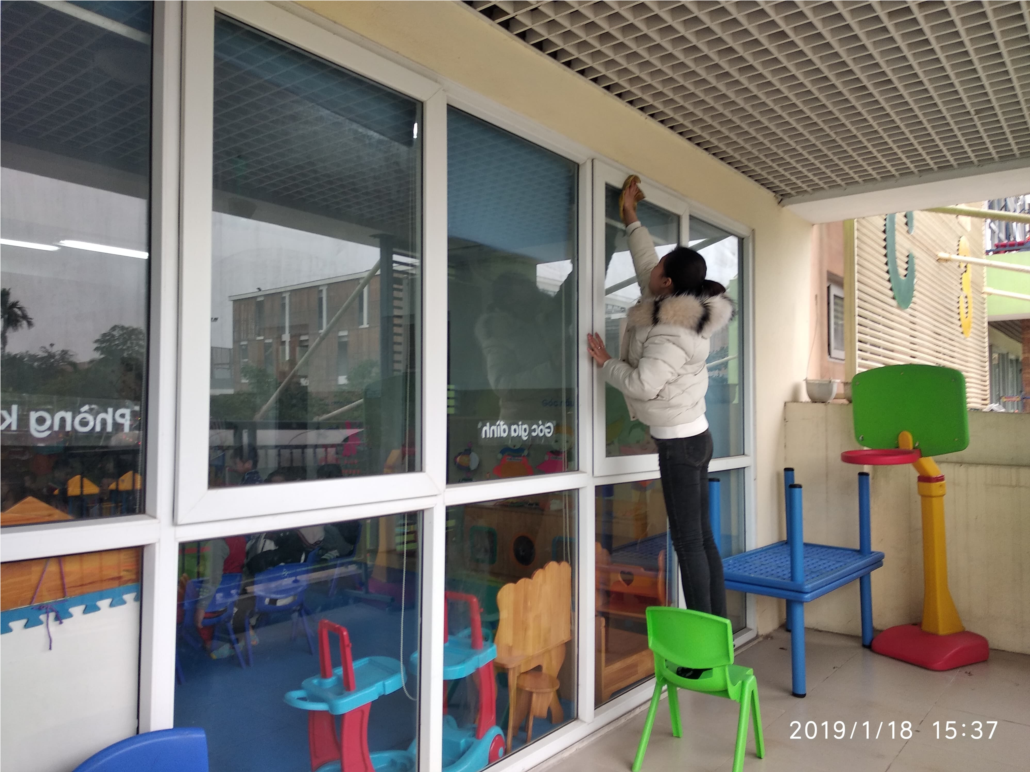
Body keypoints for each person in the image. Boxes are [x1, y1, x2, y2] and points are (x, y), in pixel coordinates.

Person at [587, 177, 734, 636]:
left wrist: (606, 363)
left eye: (661, 270)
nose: (652, 271)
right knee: (702, 539)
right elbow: (647, 262)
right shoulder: (675, 301)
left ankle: (705, 652)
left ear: (667, 284)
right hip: (694, 435)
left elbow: (644, 384)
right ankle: (719, 635)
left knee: (689, 544)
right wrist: (630, 216)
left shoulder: (672, 331)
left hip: (681, 445)